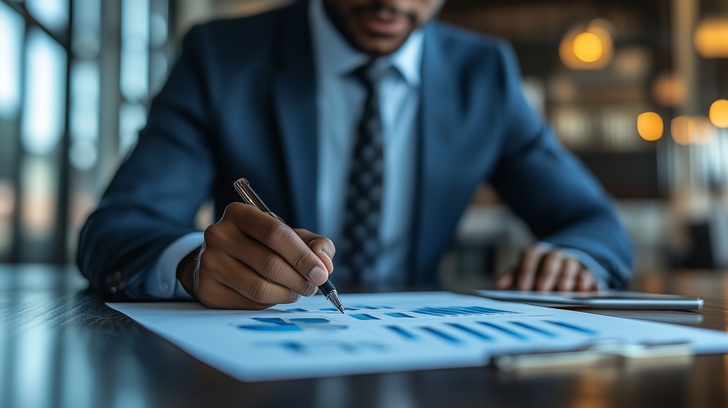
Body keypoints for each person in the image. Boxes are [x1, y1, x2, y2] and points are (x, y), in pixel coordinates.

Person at [77, 0, 633, 310]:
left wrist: (574, 258)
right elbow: (119, 229)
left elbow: (593, 222)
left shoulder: (483, 73)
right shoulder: (222, 56)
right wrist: (192, 266)